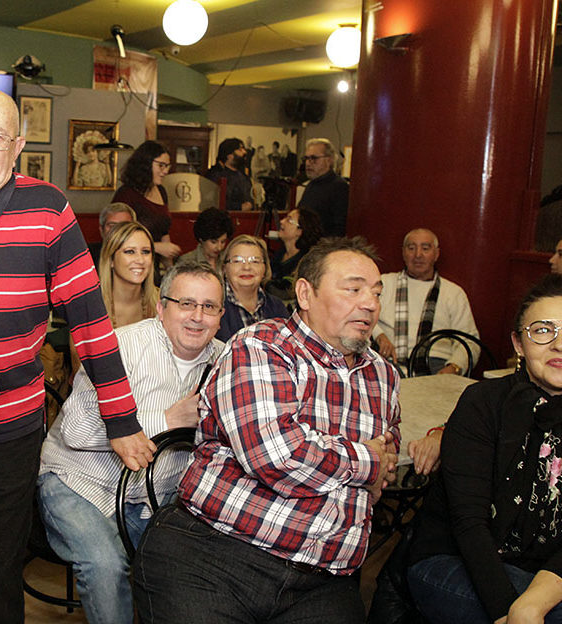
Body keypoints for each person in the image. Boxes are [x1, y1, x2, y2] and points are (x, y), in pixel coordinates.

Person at [0, 86, 154, 624]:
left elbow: (90, 323)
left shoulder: (49, 210)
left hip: (8, 428)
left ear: (17, 146)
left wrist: (120, 419)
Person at [132, 236, 401, 624]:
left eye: (376, 292)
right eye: (353, 289)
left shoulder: (383, 375)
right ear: (305, 293)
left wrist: (352, 461)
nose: (370, 303)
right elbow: (278, 457)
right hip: (214, 555)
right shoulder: (261, 345)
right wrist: (366, 460)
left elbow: (385, 467)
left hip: (323, 579)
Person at [38, 261, 224, 624]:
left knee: (191, 569)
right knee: (106, 564)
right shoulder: (122, 347)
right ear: (161, 306)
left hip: (155, 496)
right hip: (79, 483)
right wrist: (166, 421)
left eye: (209, 307)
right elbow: (76, 432)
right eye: (186, 304)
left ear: (220, 314)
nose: (197, 317)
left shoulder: (226, 360)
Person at [407, 273, 562, 624]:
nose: (558, 344)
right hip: (457, 558)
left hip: (549, 572)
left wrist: (532, 604)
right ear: (519, 344)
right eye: (542, 330)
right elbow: (469, 524)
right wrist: (510, 611)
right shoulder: (485, 403)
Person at [373, 228, 480, 375]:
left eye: (425, 248)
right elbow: (359, 316)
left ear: (436, 254)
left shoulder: (454, 293)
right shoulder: (384, 283)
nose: (418, 255)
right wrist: (379, 335)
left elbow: (470, 341)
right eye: (411, 248)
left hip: (437, 364)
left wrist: (454, 367)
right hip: (390, 363)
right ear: (403, 253)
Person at [113, 140, 181, 264]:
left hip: (154, 265)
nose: (165, 171)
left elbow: (164, 233)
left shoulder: (161, 191)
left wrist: (170, 270)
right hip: (131, 264)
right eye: (161, 165)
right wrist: (156, 247)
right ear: (145, 164)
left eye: (167, 166)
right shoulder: (126, 194)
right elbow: (117, 238)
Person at [217, 234, 288, 342]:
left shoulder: (277, 307)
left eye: (255, 261)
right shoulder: (214, 307)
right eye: (237, 261)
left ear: (265, 268)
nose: (246, 267)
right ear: (224, 269)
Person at [99, 221, 159, 328]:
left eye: (145, 252)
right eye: (130, 251)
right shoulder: (90, 308)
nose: (140, 260)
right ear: (111, 259)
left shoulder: (163, 303)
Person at [267, 207, 324, 300]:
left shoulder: (305, 261)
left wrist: (266, 283)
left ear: (299, 231)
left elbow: (288, 293)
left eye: (289, 220)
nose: (281, 221)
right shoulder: (280, 254)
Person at [298, 138, 349, 236]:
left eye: (314, 158)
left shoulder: (339, 187)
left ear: (329, 160)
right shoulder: (311, 185)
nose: (308, 163)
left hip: (323, 247)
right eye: (306, 159)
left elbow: (339, 227)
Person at [177, 207, 233, 272]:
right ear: (201, 239)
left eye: (223, 242)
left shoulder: (228, 259)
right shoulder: (187, 261)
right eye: (213, 242)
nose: (219, 248)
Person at [204, 138, 253, 211]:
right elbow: (212, 201)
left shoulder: (244, 176)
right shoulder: (215, 175)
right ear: (229, 155)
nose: (244, 152)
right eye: (240, 149)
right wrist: (239, 207)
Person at [89, 201, 136, 266]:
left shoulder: (143, 255)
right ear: (101, 230)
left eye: (124, 226)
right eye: (112, 226)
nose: (118, 230)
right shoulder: (87, 255)